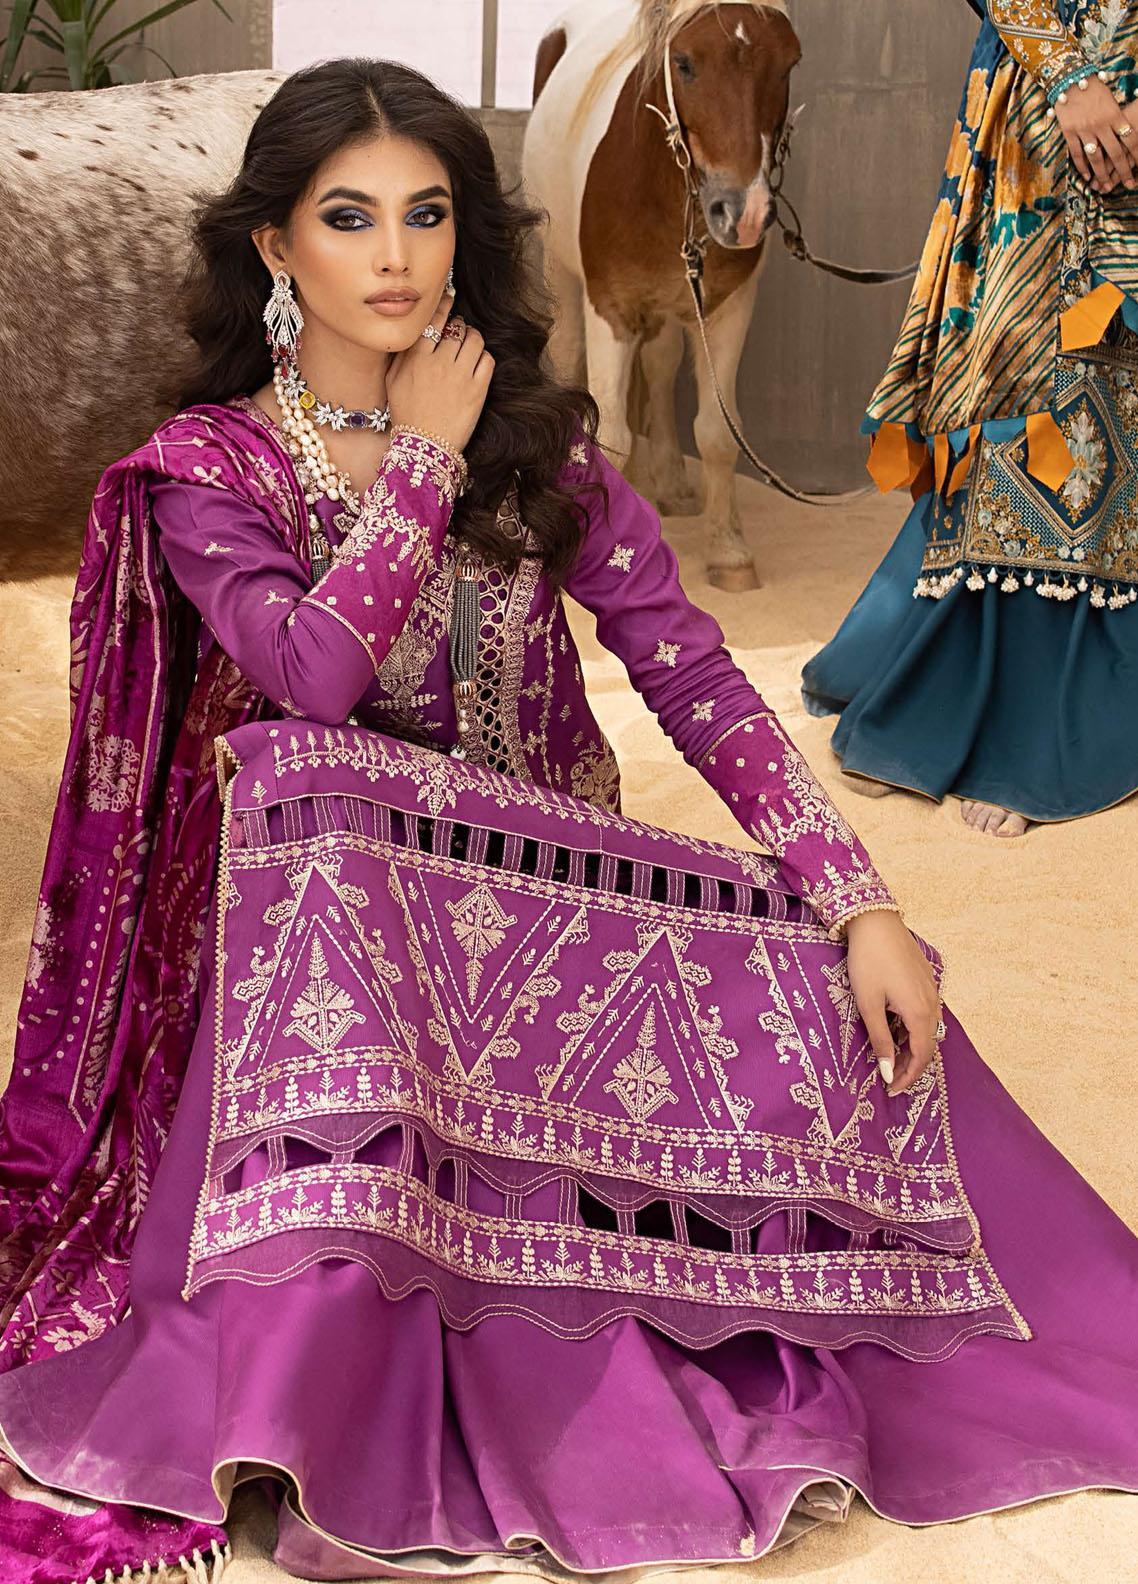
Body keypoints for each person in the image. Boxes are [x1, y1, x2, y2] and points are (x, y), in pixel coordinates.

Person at [0, 55, 1135, 1584]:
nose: (395, 258)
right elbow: (309, 678)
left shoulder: (535, 447)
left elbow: (691, 674)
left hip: (535, 927)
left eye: (426, 215)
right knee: (320, 798)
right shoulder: (213, 470)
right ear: (275, 245)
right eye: (348, 218)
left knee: (838, 986)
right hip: (312, 978)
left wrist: (856, 900)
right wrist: (418, 461)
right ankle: (340, 1385)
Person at [803, 0, 1138, 837]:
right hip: (1052, 91)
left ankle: (1058, 725)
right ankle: (997, 705)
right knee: (1027, 375)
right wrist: (1069, 76)